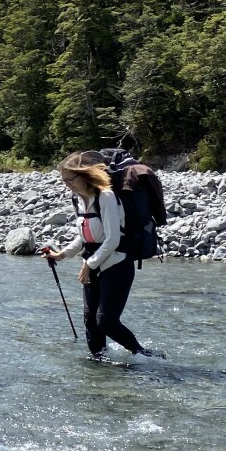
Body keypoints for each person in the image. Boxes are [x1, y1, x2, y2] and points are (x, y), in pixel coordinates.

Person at [42, 151, 159, 362]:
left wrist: (88, 264)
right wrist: (61, 255)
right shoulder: (79, 199)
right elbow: (86, 238)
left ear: (84, 174)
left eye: (70, 179)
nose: (67, 184)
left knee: (106, 322)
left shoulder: (106, 196)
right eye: (64, 180)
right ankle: (99, 367)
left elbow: (113, 239)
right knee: (90, 322)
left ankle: (146, 356)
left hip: (117, 264)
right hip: (94, 265)